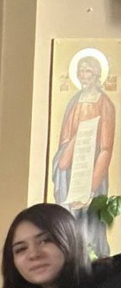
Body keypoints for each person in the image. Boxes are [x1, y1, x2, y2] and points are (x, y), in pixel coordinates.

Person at [52, 54, 116, 208]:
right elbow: (64, 143)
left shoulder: (104, 104)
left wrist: (90, 189)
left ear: (96, 74)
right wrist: (77, 139)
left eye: (87, 71)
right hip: (71, 170)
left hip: (93, 170)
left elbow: (105, 149)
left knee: (88, 217)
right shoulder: (74, 102)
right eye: (80, 71)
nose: (83, 76)